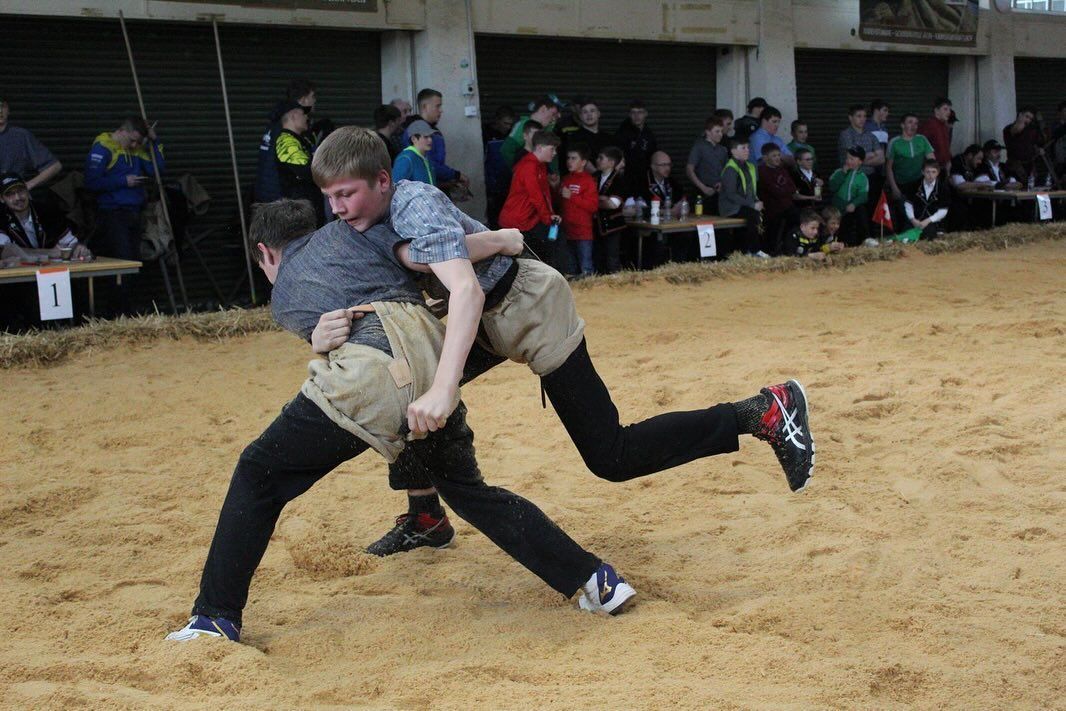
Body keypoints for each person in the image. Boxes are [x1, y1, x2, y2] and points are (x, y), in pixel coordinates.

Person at [307, 127, 816, 557]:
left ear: (382, 180)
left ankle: (762, 412)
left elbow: (465, 290)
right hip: (481, 316)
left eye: (345, 194)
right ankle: (425, 517)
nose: (336, 208)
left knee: (611, 455)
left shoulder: (414, 203)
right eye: (329, 197)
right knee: (401, 391)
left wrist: (444, 388)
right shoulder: (362, 220)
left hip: (526, 307)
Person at [164, 198, 638, 643]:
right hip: (435, 361)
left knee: (259, 471)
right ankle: (594, 580)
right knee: (466, 489)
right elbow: (427, 260)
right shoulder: (357, 233)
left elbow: (340, 341)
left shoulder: (285, 293)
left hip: (379, 373)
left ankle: (214, 617)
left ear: (265, 252)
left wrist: (316, 338)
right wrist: (501, 239)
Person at [85, 115, 164, 314]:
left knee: (135, 263)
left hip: (135, 213)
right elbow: (90, 183)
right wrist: (123, 182)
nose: (135, 145)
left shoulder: (137, 149)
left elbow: (158, 169)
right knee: (123, 263)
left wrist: (154, 141)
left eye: (139, 141)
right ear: (122, 131)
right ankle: (117, 313)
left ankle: (126, 311)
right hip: (112, 214)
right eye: (132, 140)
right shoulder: (103, 147)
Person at [499, 130, 563, 272]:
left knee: (549, 242)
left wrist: (550, 215)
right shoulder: (529, 167)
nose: (555, 153)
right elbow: (536, 196)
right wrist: (548, 218)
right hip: (519, 221)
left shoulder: (539, 165)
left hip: (528, 219)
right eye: (552, 149)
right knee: (539, 250)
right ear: (540, 148)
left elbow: (544, 194)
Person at [254, 78, 317, 204]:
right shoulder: (286, 135)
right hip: (282, 201)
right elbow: (306, 171)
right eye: (313, 96)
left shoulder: (275, 125)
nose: (315, 101)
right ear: (304, 99)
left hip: (271, 197)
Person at [0, 173, 89, 259]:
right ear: (2, 199)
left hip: (51, 270)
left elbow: (70, 243)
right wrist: (50, 252)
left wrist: (79, 248)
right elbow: (5, 251)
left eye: (20, 191)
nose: (18, 197)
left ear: (27, 191)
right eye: (10, 194)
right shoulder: (1, 217)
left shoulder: (46, 210)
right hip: (16, 272)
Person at [403, 88, 469, 196]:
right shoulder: (415, 131)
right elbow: (427, 164)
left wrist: (449, 183)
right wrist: (456, 175)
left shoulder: (434, 131)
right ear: (425, 107)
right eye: (437, 106)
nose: (441, 110)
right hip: (423, 194)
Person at [274, 100, 323, 226]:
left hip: (308, 206)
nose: (307, 117)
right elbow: (307, 171)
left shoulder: (300, 138)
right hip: (300, 211)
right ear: (294, 116)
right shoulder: (286, 141)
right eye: (304, 114)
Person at [0, 97, 62, 192]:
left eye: (2, 106)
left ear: (8, 110)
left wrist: (27, 185)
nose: (0, 110)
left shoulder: (21, 136)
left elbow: (55, 166)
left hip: (13, 199)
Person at [718, 137, 765, 257]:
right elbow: (731, 194)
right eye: (743, 148)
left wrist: (757, 201)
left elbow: (751, 189)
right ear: (733, 151)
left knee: (760, 214)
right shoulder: (730, 169)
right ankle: (754, 250)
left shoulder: (751, 167)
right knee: (752, 215)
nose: (747, 150)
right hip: (731, 207)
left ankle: (745, 251)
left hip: (744, 205)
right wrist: (751, 204)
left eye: (748, 148)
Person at [559, 145, 599, 276]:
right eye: (568, 158)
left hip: (583, 232)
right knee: (570, 268)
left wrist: (572, 196)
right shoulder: (565, 179)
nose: (569, 161)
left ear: (583, 162)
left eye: (574, 158)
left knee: (586, 268)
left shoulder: (588, 181)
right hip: (567, 230)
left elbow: (593, 206)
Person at [757, 144, 799, 255]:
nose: (777, 158)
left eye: (779, 155)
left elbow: (793, 188)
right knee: (773, 233)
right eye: (774, 155)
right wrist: (785, 191)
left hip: (787, 206)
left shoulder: (782, 170)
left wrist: (784, 191)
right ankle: (772, 252)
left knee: (796, 220)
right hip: (772, 209)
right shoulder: (762, 171)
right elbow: (774, 191)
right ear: (765, 158)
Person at [837, 105, 884, 201]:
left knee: (871, 209)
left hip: (870, 178)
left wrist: (861, 159)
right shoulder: (846, 135)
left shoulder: (871, 136)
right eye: (859, 116)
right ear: (850, 118)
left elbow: (881, 158)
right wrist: (871, 154)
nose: (862, 119)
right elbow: (853, 157)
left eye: (864, 116)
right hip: (852, 178)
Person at [593, 146, 628, 273]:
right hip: (596, 225)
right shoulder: (594, 176)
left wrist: (593, 200)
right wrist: (601, 199)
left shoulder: (619, 180)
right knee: (598, 256)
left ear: (611, 163)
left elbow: (613, 204)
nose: (597, 160)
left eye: (601, 158)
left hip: (612, 226)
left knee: (612, 257)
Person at [502, 96, 560, 169]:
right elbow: (506, 150)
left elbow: (552, 151)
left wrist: (553, 172)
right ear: (543, 109)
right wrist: (518, 170)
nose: (554, 118)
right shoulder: (523, 126)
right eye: (553, 114)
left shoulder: (547, 127)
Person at [827, 146, 870, 247]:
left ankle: (863, 242)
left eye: (852, 159)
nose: (848, 161)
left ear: (860, 161)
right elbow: (832, 187)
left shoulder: (863, 177)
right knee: (840, 227)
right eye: (847, 158)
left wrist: (854, 204)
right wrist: (843, 173)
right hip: (838, 208)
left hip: (851, 208)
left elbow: (863, 195)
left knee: (861, 213)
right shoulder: (838, 172)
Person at [686, 116, 728, 214]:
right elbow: (689, 169)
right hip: (702, 191)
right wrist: (703, 187)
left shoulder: (723, 150)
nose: (720, 134)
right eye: (717, 131)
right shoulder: (699, 147)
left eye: (721, 131)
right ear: (708, 132)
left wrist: (722, 183)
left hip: (718, 192)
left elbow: (726, 170)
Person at [905, 159, 948, 240]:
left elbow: (943, 210)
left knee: (928, 236)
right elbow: (908, 204)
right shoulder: (914, 185)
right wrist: (913, 219)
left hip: (933, 222)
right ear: (922, 172)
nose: (930, 175)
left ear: (938, 172)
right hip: (915, 220)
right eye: (927, 172)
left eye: (933, 172)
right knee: (906, 238)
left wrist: (928, 220)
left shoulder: (943, 189)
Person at [615, 100, 658, 180]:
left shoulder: (649, 134)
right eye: (633, 112)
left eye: (640, 112)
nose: (637, 116)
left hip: (645, 176)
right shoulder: (621, 133)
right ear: (629, 115)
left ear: (646, 114)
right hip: (627, 177)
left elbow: (653, 154)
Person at [1002, 106, 1045, 185]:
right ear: (1020, 114)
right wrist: (1021, 120)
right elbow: (1017, 128)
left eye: (1030, 119)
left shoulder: (1030, 130)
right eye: (1026, 116)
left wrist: (1038, 150)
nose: (1028, 120)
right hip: (1015, 167)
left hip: (1029, 166)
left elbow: (1036, 143)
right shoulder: (1009, 129)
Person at [563, 99, 609, 167]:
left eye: (592, 111)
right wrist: (598, 175)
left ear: (598, 114)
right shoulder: (574, 138)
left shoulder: (608, 138)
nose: (589, 114)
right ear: (580, 116)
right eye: (585, 112)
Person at [392, 119, 436, 186]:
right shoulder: (406, 159)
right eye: (426, 137)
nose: (430, 140)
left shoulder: (425, 158)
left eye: (431, 136)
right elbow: (395, 186)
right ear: (413, 139)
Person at [918, 98, 953, 173]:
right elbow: (920, 146)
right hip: (931, 169)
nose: (949, 112)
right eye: (945, 109)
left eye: (949, 110)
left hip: (943, 168)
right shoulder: (929, 125)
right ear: (936, 110)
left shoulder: (944, 126)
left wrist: (948, 162)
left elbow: (945, 147)